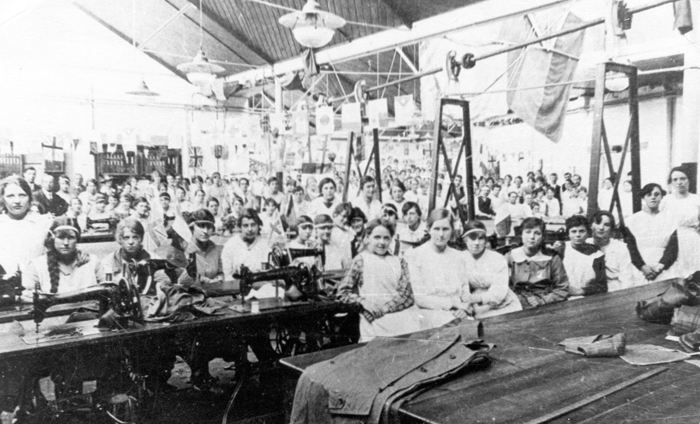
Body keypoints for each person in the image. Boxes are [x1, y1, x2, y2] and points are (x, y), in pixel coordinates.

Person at [337, 219, 424, 341]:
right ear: (368, 238)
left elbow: (407, 296)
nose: (382, 242)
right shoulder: (361, 260)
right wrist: (363, 302)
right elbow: (343, 293)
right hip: (373, 318)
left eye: (386, 238)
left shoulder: (399, 261)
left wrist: (385, 309)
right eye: (377, 237)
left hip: (401, 317)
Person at [404, 209, 473, 328]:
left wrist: (464, 308)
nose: (441, 234)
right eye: (436, 229)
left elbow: (464, 288)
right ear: (428, 229)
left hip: (458, 312)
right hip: (429, 314)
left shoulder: (458, 256)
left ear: (451, 230)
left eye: (445, 229)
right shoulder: (415, 255)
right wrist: (453, 304)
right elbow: (419, 298)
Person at [460, 220, 522, 318]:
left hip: (502, 304)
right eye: (472, 238)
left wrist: (474, 298)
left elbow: (499, 291)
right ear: (465, 240)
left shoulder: (497, 258)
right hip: (473, 306)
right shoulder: (460, 258)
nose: (476, 243)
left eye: (480, 238)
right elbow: (460, 286)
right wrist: (466, 303)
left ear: (485, 240)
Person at [24, 216, 99, 295]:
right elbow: (29, 299)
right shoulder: (37, 266)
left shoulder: (92, 262)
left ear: (77, 239)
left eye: (71, 237)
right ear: (53, 238)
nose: (66, 243)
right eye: (60, 237)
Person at [506, 217, 569, 308]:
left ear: (543, 237)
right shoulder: (511, 256)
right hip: (516, 302)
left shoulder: (552, 257)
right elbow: (501, 286)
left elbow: (562, 288)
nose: (532, 237)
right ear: (521, 235)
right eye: (528, 232)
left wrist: (543, 300)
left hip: (546, 303)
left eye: (537, 233)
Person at [625, 183, 679, 283]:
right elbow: (631, 248)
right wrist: (642, 267)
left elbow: (673, 248)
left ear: (662, 196)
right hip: (639, 268)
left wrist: (660, 267)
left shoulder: (670, 220)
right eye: (649, 195)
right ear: (643, 197)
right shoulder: (632, 220)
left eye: (656, 194)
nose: (653, 197)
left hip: (664, 268)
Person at [0, 176, 49, 275]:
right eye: (10, 196)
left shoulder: (43, 223)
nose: (17, 201)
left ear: (30, 198)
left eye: (22, 195)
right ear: (2, 199)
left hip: (37, 282)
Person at [661, 166, 700, 278]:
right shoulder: (666, 201)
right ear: (671, 183)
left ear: (689, 180)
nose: (679, 182)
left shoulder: (696, 199)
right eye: (675, 179)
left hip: (693, 240)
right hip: (673, 241)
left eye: (683, 178)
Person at [553, 215, 607, 296]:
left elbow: (602, 286)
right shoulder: (561, 249)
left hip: (586, 297)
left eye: (582, 231)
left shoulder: (597, 255)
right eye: (573, 231)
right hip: (561, 296)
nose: (578, 235)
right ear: (568, 234)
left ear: (587, 233)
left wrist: (580, 291)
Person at [587, 211, 635, 291]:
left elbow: (627, 279)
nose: (601, 227)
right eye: (598, 223)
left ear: (611, 229)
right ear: (591, 225)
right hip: (590, 290)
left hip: (613, 290)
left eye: (606, 225)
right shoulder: (585, 244)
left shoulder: (620, 247)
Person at [221, 208, 271, 279]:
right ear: (240, 227)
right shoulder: (230, 245)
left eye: (253, 225)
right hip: (236, 287)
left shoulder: (264, 245)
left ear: (258, 225)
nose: (250, 229)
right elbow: (227, 275)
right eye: (245, 225)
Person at [179, 209, 224, 286]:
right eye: (201, 226)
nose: (205, 231)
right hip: (188, 293)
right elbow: (180, 277)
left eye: (209, 227)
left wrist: (219, 279)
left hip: (212, 292)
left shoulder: (215, 249)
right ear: (192, 228)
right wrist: (204, 280)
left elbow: (221, 272)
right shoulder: (183, 248)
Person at [98, 218, 151, 282]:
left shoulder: (152, 259)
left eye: (135, 237)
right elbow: (107, 285)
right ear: (120, 239)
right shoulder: (108, 262)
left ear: (141, 238)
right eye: (126, 238)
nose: (131, 242)